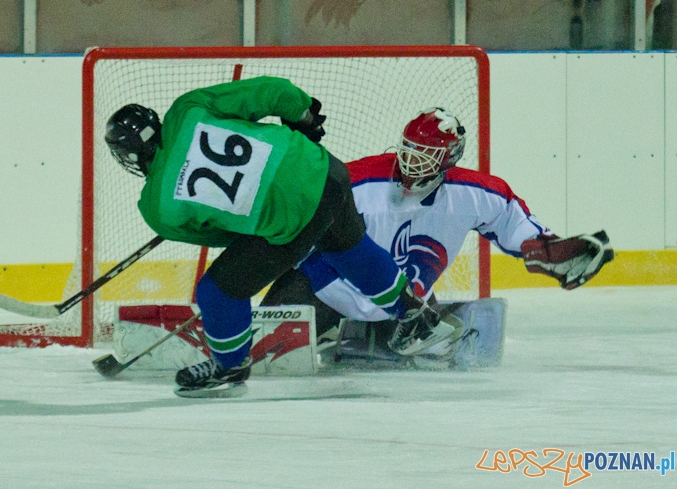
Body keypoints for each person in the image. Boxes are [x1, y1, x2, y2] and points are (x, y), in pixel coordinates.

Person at [103, 77, 452, 397]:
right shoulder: (186, 108)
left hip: (292, 218)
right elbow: (272, 93)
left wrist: (281, 235)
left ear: (129, 155)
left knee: (218, 290)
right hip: (323, 169)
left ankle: (229, 366)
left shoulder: (155, 208)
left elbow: (231, 235)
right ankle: (412, 315)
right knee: (347, 248)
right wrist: (304, 117)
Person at [261, 107, 615, 359]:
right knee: (257, 353)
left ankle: (379, 330)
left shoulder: (474, 194)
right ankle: (336, 325)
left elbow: (513, 223)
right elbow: (301, 224)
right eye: (410, 152)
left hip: (407, 308)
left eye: (425, 155)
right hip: (327, 291)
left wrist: (547, 250)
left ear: (449, 158)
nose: (412, 162)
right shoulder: (358, 179)